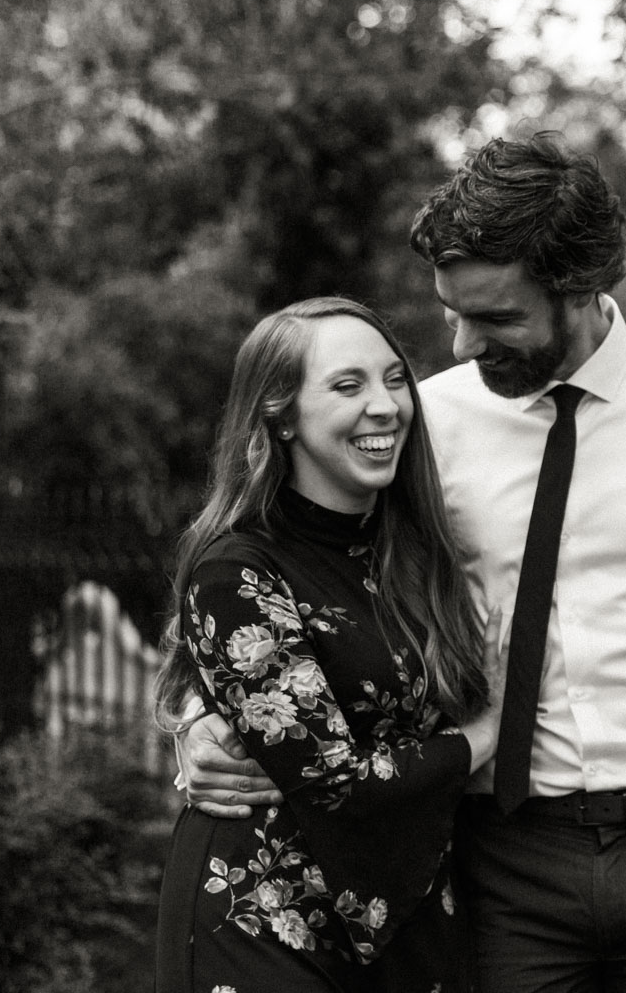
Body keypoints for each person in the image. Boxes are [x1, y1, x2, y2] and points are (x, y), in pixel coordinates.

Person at [180, 134, 626, 992]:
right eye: (451, 312)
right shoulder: (424, 428)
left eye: (494, 319)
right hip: (500, 859)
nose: (458, 346)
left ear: (581, 288)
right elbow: (299, 572)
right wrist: (201, 712)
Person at [153, 297, 505, 993]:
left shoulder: (415, 551)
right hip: (263, 922)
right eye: (348, 386)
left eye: (395, 379)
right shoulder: (238, 569)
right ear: (280, 414)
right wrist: (490, 733)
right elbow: (338, 784)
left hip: (407, 925)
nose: (386, 406)